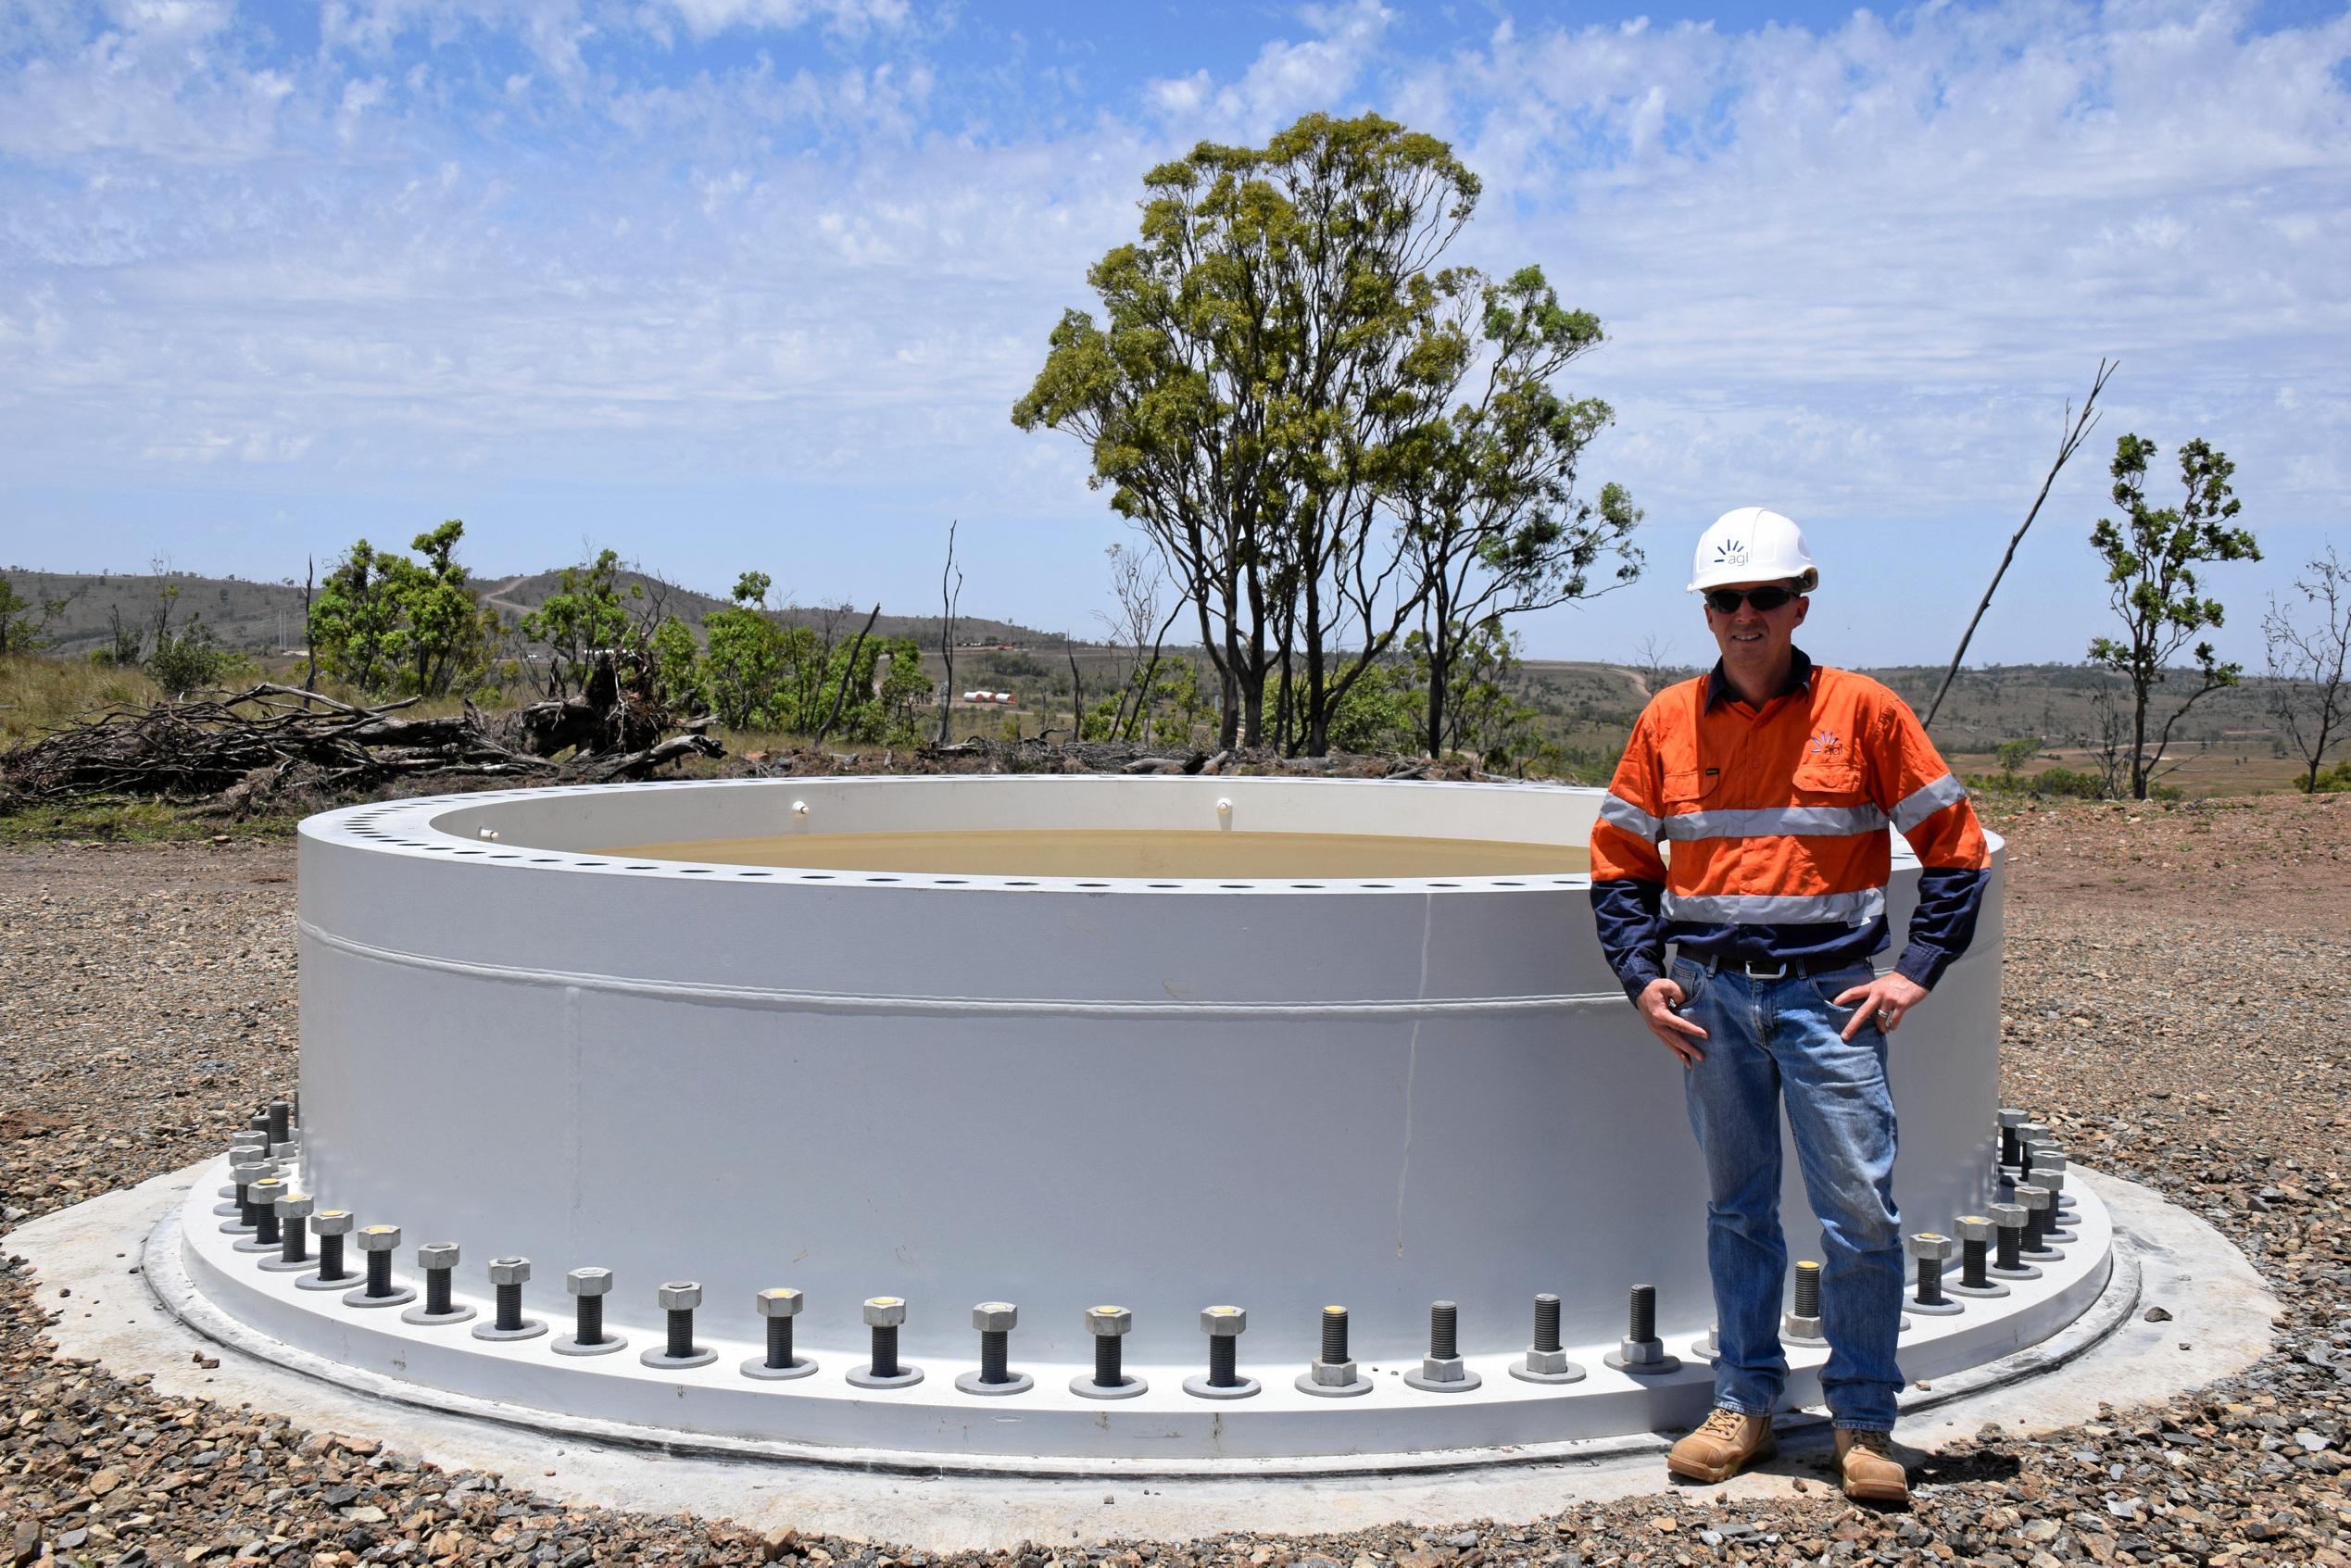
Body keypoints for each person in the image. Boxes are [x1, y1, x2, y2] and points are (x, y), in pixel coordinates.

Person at [1588, 507, 1991, 1505]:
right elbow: (1618, 866)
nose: (1746, 615)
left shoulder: (1863, 712)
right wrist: (1644, 980)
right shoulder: (1668, 722)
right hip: (1714, 1002)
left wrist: (1914, 969)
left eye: (1765, 596)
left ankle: (1863, 1421)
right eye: (1726, 600)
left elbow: (1956, 846)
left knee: (1860, 1211)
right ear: (1708, 613)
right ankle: (1745, 1401)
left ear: (1800, 600)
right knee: (1738, 1209)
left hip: (1830, 1001)